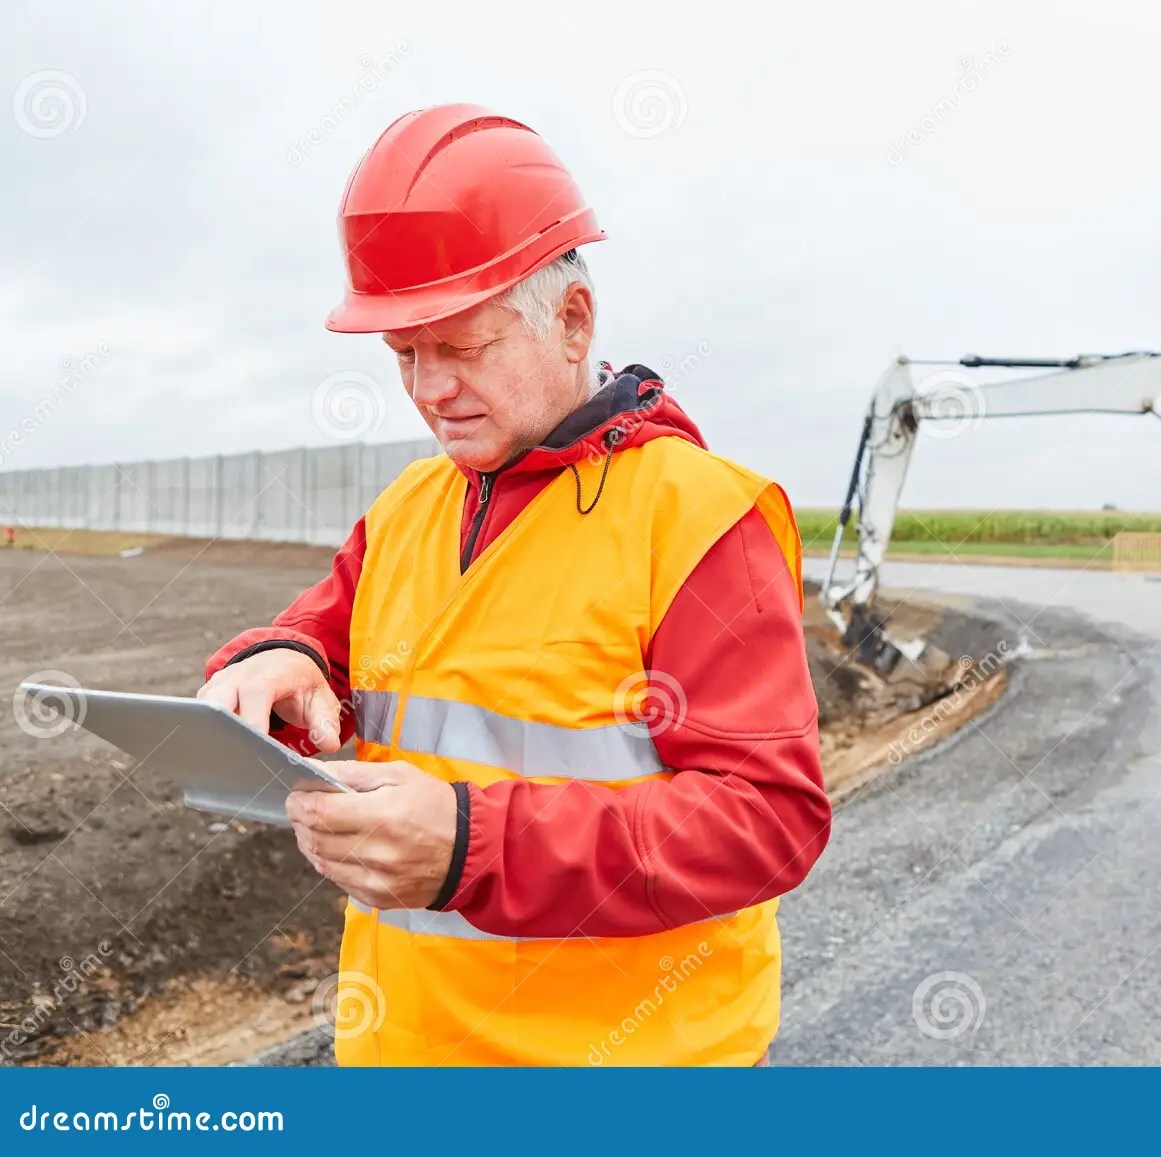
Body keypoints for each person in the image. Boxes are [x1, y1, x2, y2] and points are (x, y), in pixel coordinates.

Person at [198, 104, 831, 1066]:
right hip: (404, 1058)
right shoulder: (411, 505)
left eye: (461, 346)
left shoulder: (700, 518)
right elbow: (321, 639)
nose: (429, 389)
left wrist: (467, 844)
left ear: (572, 321)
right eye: (404, 354)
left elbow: (766, 821)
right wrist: (276, 659)